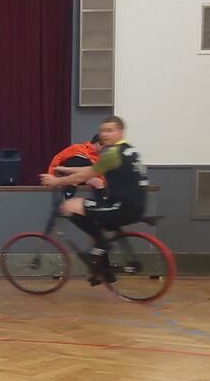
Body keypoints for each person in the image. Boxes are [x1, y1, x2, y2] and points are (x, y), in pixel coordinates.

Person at [40, 116, 149, 282]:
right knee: (93, 217)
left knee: (69, 207)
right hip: (136, 206)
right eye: (102, 131)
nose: (104, 134)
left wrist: (56, 180)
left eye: (110, 130)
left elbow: (86, 174)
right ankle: (101, 261)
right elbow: (93, 169)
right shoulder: (129, 151)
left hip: (119, 207)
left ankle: (99, 250)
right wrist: (66, 169)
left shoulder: (112, 153)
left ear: (121, 132)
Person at [46, 134, 105, 199]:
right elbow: (58, 158)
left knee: (98, 182)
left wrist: (103, 181)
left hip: (84, 177)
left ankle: (102, 203)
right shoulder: (77, 148)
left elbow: (98, 172)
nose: (103, 150)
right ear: (98, 144)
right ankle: (67, 200)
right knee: (76, 171)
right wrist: (51, 174)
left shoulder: (98, 158)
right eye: (103, 147)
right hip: (69, 175)